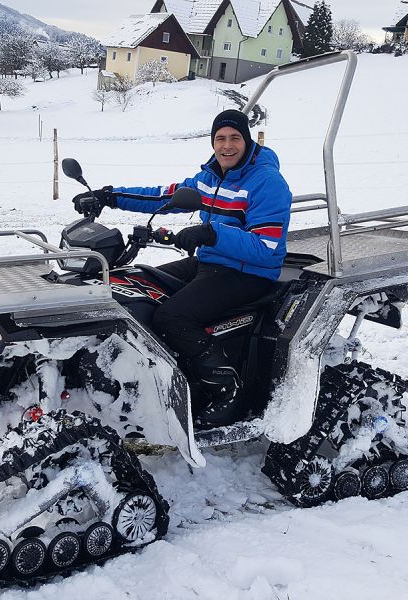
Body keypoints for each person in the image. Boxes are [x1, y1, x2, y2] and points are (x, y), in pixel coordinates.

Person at [72, 109, 292, 427]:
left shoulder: (268, 183)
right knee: (134, 285)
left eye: (235, 138)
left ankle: (226, 389)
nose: (227, 146)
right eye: (220, 138)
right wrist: (109, 197)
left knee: (171, 317)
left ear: (247, 141)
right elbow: (165, 196)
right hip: (209, 261)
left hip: (249, 272)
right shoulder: (211, 176)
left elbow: (266, 246)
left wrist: (212, 234)